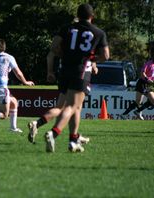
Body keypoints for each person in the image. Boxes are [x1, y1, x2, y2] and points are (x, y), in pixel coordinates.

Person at [44, 3, 110, 153]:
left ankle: (73, 140)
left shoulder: (67, 28)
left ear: (78, 15)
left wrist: (65, 55)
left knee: (77, 107)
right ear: (92, 17)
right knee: (71, 106)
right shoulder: (98, 32)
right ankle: (53, 133)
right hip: (80, 71)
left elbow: (54, 47)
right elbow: (106, 56)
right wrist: (93, 59)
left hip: (64, 69)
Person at [120, 43, 154, 120]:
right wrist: (147, 79)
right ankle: (137, 111)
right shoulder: (149, 63)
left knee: (138, 102)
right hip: (143, 83)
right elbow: (142, 73)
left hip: (149, 85)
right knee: (147, 101)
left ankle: (125, 114)